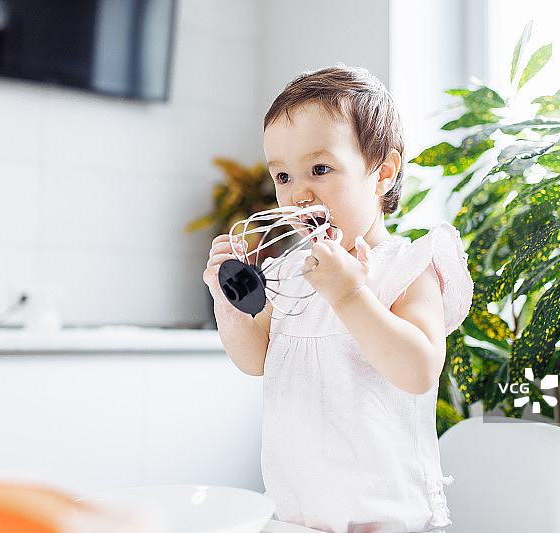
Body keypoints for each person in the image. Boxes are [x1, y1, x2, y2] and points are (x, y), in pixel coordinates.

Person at [203, 65, 473, 533]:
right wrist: (231, 308)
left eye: (320, 169)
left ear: (383, 173)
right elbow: (255, 360)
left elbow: (418, 369)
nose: (299, 194)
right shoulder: (289, 273)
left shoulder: (409, 266)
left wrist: (350, 295)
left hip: (385, 515)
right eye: (283, 176)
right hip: (298, 511)